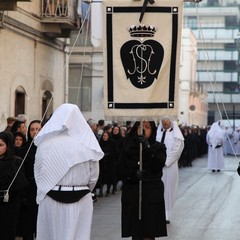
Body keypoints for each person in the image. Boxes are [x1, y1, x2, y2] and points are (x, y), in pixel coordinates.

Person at [34, 103, 104, 240]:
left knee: (51, 235)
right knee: (79, 235)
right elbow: (94, 176)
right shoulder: (87, 144)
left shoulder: (45, 143)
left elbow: (39, 173)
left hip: (50, 196)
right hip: (81, 197)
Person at [117, 121, 167, 240]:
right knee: (136, 231)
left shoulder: (159, 147)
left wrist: (147, 147)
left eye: (147, 127)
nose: (143, 130)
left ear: (153, 130)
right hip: (133, 192)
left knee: (149, 232)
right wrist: (132, 174)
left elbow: (158, 164)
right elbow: (118, 169)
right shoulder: (128, 147)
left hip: (151, 194)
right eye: (140, 127)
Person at [0, 131, 28, 240]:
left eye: (1, 145)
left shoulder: (16, 161)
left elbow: (20, 184)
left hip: (9, 205)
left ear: (8, 145)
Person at [17, 120, 42, 240]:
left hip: (43, 190)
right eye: (32, 129)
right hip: (28, 190)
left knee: (41, 224)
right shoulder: (25, 149)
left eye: (38, 129)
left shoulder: (47, 148)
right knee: (27, 224)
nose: (35, 132)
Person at [156, 117, 184, 224]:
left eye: (167, 121)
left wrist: (165, 162)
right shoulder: (158, 134)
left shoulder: (176, 136)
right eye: (163, 121)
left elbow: (176, 151)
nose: (164, 123)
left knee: (169, 189)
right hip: (157, 166)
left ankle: (167, 214)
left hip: (170, 166)